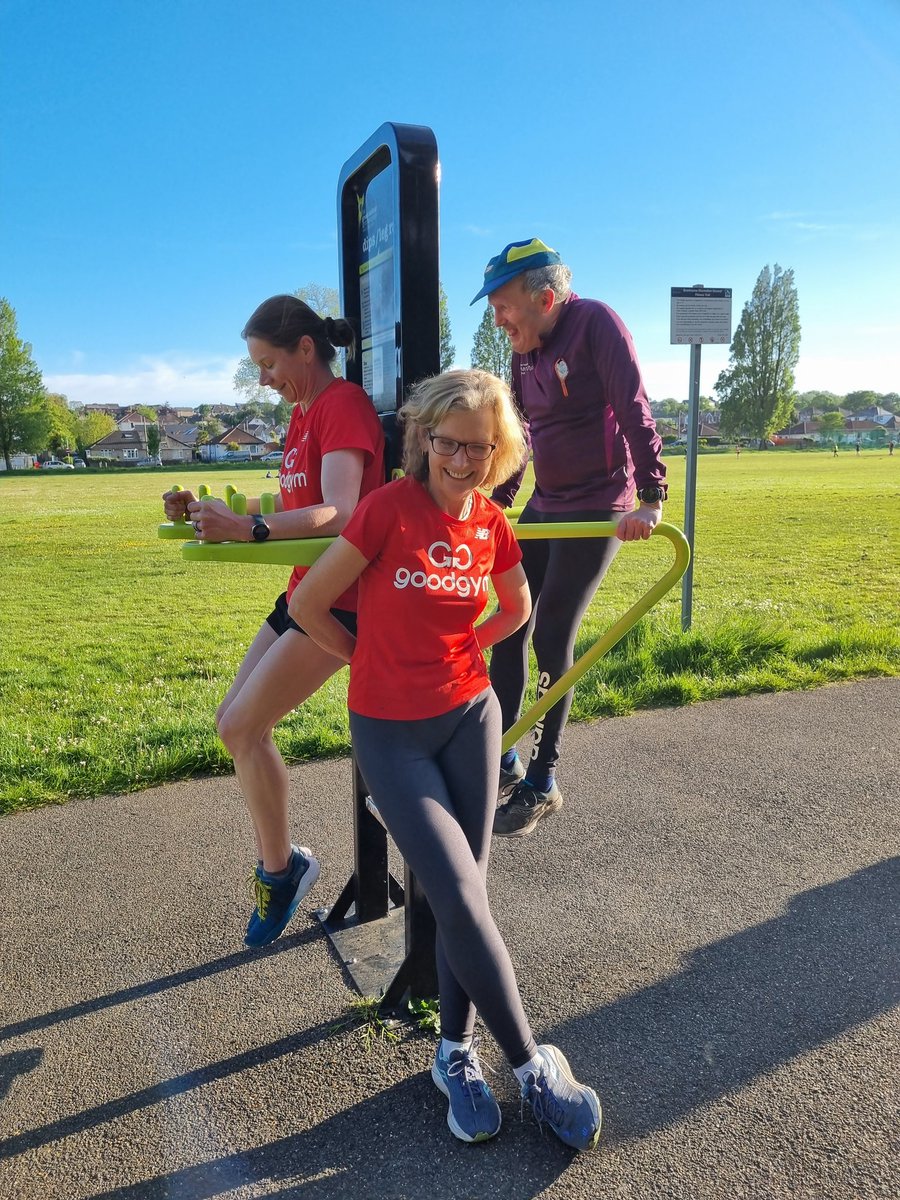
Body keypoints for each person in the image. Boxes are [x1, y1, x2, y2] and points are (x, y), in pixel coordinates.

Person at [290, 369, 602, 1152]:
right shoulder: (388, 509)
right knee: (459, 893)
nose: (461, 461)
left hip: (470, 718)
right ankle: (534, 1067)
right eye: (448, 444)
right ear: (424, 439)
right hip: (390, 732)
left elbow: (518, 608)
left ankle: (453, 1052)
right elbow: (306, 605)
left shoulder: (491, 521)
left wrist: (464, 646)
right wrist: (366, 657)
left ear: (499, 453)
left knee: (469, 896)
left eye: (479, 448)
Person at [162, 295, 385, 947]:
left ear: (305, 350)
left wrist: (248, 529)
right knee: (233, 725)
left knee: (241, 725)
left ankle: (280, 870)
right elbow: (296, 499)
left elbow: (341, 511)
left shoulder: (341, 406)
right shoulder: (304, 412)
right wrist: (209, 512)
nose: (262, 378)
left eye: (267, 363)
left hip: (339, 596)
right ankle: (284, 867)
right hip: (302, 592)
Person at [468, 239, 668, 837]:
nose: (498, 321)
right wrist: (498, 504)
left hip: (598, 505)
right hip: (547, 504)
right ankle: (503, 755)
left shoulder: (594, 324)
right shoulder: (524, 352)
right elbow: (520, 438)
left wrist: (650, 499)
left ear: (545, 298)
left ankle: (543, 778)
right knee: (510, 618)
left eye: (504, 308)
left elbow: (634, 408)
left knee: (553, 632)